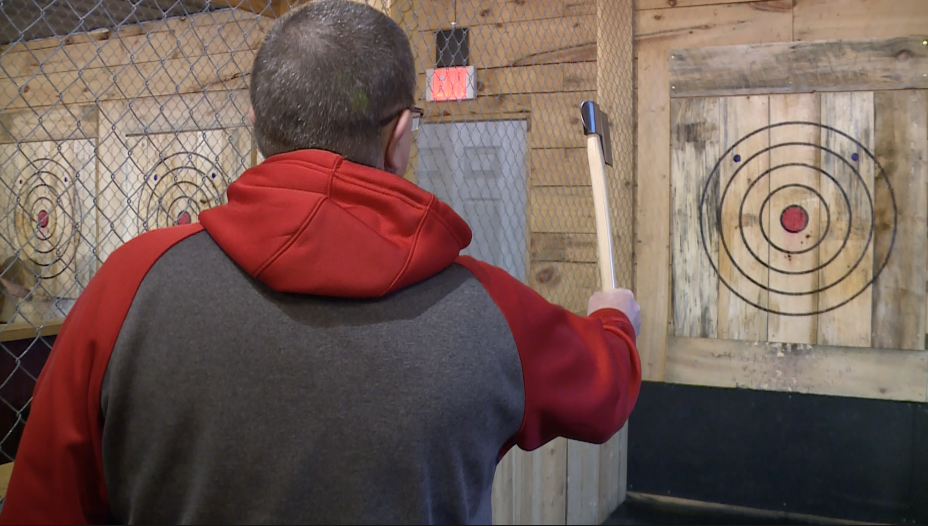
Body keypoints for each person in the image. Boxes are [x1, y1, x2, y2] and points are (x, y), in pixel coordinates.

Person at [0, 1, 641, 524]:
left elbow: (41, 505)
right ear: (400, 139)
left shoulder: (130, 286)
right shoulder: (491, 309)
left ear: (256, 124)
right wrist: (615, 323)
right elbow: (605, 395)